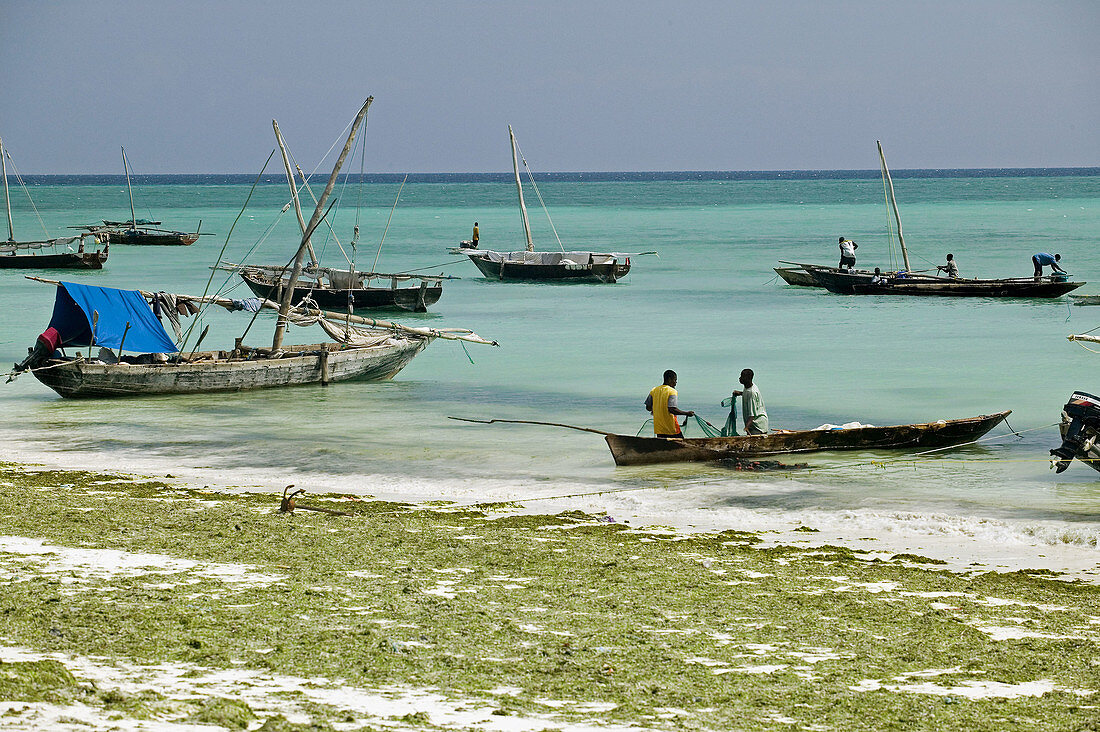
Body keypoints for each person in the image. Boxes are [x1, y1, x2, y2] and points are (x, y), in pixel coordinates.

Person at [645, 369, 694, 438]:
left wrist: (657, 408)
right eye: (675, 380)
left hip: (659, 429)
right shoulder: (672, 391)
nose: (675, 383)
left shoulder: (654, 390)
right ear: (669, 379)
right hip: (671, 429)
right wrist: (686, 413)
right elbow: (672, 409)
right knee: (682, 446)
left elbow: (648, 408)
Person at [732, 368, 768, 435]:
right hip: (754, 424)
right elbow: (747, 394)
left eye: (742, 376)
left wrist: (746, 427)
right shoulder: (748, 387)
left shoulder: (752, 392)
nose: (740, 378)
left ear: (747, 379)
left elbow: (752, 415)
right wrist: (740, 393)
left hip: (758, 426)